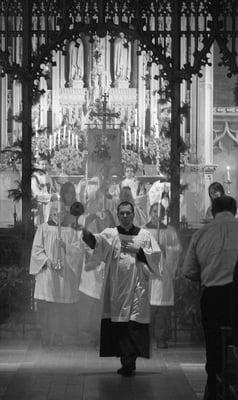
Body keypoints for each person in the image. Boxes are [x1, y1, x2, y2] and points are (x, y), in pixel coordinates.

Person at [79, 201, 161, 376]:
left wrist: (139, 250)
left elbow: (156, 258)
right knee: (121, 326)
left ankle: (129, 362)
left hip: (138, 288)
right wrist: (82, 228)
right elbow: (94, 242)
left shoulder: (144, 235)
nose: (125, 216)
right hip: (117, 288)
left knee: (133, 325)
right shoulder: (110, 234)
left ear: (133, 215)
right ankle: (126, 361)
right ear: (118, 215)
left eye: (128, 213)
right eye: (122, 213)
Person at [182, 195, 238, 400]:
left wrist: (207, 273)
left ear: (213, 211)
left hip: (213, 295)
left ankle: (214, 387)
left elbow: (188, 270)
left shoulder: (201, 233)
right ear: (235, 210)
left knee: (214, 344)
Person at [29, 201, 85, 347]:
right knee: (47, 308)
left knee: (61, 309)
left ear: (65, 213)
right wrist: (48, 261)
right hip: (47, 273)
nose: (58, 213)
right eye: (55, 210)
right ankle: (46, 338)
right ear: (51, 211)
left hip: (65, 275)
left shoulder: (71, 230)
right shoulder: (43, 228)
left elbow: (78, 251)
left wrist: (65, 246)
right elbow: (36, 250)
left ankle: (59, 337)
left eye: (60, 211)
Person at [145, 203, 181, 349]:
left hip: (164, 275)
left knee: (162, 307)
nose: (156, 215)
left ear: (163, 215)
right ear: (150, 212)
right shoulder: (143, 230)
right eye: (154, 211)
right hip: (148, 274)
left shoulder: (170, 231)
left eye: (160, 212)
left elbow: (177, 249)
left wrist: (166, 249)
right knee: (147, 306)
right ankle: (145, 336)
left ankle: (161, 337)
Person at [31, 156, 56, 225]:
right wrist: (50, 197)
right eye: (42, 164)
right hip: (39, 206)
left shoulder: (48, 177)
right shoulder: (34, 178)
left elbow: (51, 190)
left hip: (49, 207)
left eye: (46, 164)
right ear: (38, 165)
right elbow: (36, 195)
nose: (44, 166)